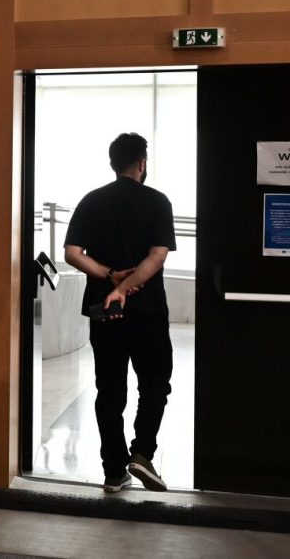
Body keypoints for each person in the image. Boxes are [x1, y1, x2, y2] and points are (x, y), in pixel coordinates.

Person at [63, 132, 176, 493]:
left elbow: (72, 253)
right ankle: (142, 453)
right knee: (155, 384)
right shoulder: (158, 202)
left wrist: (110, 277)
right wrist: (126, 288)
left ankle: (114, 471)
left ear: (113, 163)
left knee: (109, 390)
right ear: (142, 163)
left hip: (104, 312)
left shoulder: (91, 201)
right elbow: (157, 256)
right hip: (147, 311)